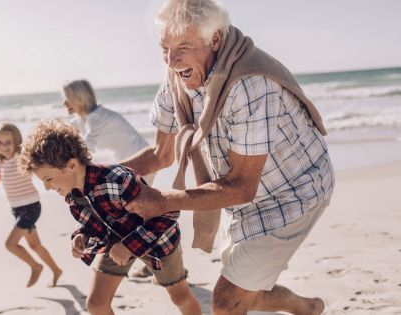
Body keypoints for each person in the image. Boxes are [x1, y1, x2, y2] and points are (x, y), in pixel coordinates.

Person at [121, 0, 334, 314]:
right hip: (236, 196)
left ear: (215, 39)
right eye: (164, 47)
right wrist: (94, 175)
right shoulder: (177, 78)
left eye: (183, 46)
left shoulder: (249, 84)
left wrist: (164, 200)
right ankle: (306, 307)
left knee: (225, 300)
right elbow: (160, 155)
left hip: (293, 193)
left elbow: (242, 186)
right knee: (242, 291)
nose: (171, 59)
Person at [18, 119, 202, 315]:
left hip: (158, 242)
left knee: (180, 297)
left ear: (71, 165)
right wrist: (81, 236)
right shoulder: (72, 194)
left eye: (48, 179)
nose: (46, 187)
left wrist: (128, 246)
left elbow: (168, 213)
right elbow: (95, 222)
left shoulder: (117, 180)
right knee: (96, 304)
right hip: (115, 242)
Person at [62, 79, 154, 278]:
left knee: (137, 214)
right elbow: (72, 136)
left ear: (78, 99)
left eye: (67, 98)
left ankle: (156, 262)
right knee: (137, 214)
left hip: (140, 160)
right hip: (129, 163)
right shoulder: (83, 120)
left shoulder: (96, 117)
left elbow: (86, 149)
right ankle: (156, 261)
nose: (64, 103)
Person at [0, 123, 62, 288]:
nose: (4, 146)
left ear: (16, 142)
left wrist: (57, 183)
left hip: (31, 207)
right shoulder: (1, 163)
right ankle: (56, 270)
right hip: (17, 209)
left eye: (8, 142)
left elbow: (41, 171)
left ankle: (36, 267)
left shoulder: (22, 158)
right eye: (0, 142)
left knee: (10, 244)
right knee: (35, 245)